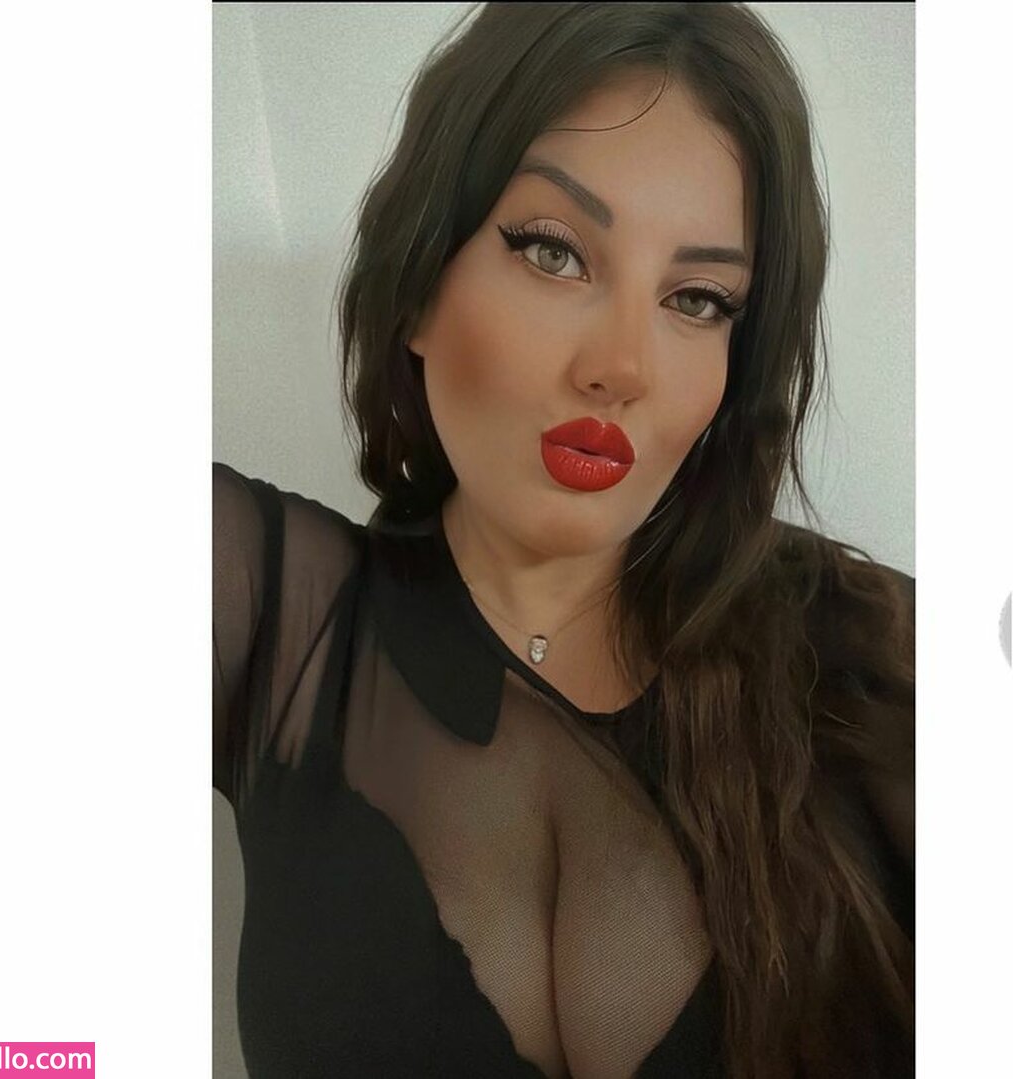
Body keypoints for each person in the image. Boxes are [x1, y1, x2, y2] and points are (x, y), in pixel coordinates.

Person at [213, 3, 914, 1077]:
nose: (621, 366)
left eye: (697, 299)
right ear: (420, 284)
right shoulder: (275, 613)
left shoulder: (878, 656)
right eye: (554, 252)